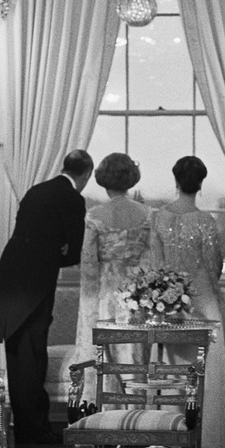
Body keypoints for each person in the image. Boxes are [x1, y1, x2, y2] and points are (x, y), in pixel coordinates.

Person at [0, 149, 93, 444]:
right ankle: (34, 430)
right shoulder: (72, 198)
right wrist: (58, 253)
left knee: (18, 354)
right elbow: (74, 249)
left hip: (9, 278)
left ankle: (27, 428)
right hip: (34, 284)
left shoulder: (36, 191)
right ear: (86, 174)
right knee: (33, 356)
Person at [151, 156, 225, 448]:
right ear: (200, 185)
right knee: (204, 368)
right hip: (203, 300)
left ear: (176, 180)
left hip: (169, 304)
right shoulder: (206, 221)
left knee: (171, 368)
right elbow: (213, 266)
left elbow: (155, 266)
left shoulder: (158, 218)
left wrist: (167, 295)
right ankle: (206, 436)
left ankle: (170, 430)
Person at [65, 152, 151, 403]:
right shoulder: (146, 214)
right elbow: (153, 260)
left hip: (105, 293)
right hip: (136, 296)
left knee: (102, 357)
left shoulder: (94, 215)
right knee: (134, 358)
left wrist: (89, 307)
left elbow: (89, 264)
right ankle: (138, 418)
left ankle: (104, 418)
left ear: (104, 179)